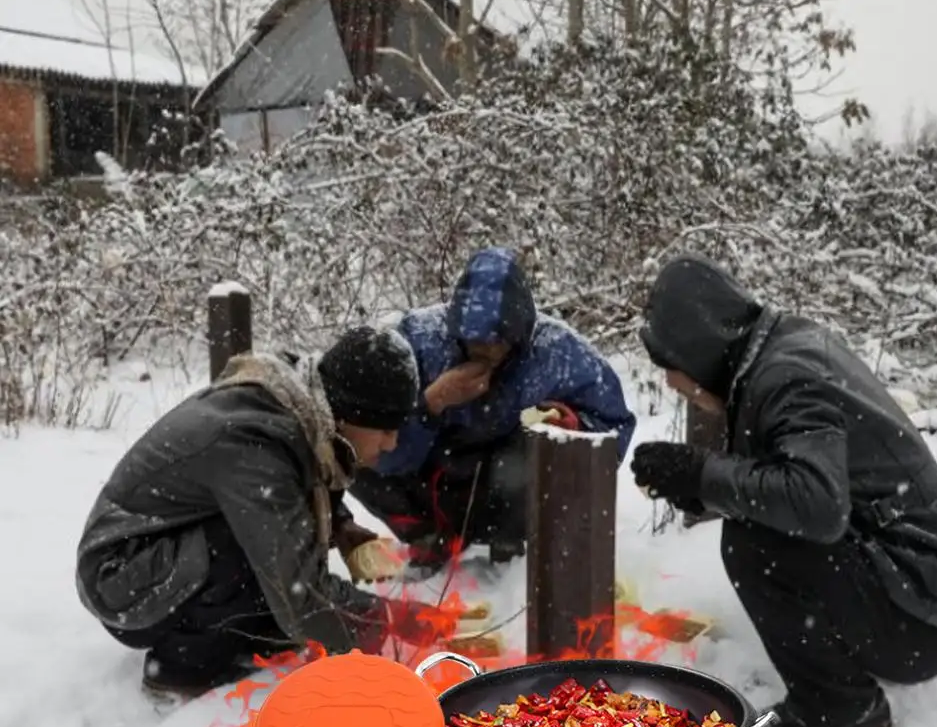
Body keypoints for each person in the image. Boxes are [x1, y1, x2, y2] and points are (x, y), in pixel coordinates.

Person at [630, 253, 937, 727]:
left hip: (923, 615)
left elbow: (816, 504)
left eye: (670, 366)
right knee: (764, 527)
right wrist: (701, 486)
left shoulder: (786, 378)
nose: (669, 382)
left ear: (696, 351)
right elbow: (799, 478)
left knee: (755, 544)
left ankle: (845, 713)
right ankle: (842, 685)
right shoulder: (779, 351)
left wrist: (702, 473)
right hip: (923, 590)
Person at [75, 326, 457, 698]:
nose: (392, 443)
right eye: (386, 428)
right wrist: (391, 619)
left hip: (158, 551)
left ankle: (239, 635)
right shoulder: (256, 444)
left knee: (271, 543)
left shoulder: (298, 409)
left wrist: (340, 526)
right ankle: (181, 669)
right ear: (348, 414)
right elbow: (302, 593)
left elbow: (302, 480)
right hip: (119, 575)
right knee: (258, 551)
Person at [349, 246, 637, 572]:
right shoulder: (419, 343)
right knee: (356, 456)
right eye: (473, 340)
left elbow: (614, 426)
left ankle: (510, 550)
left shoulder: (556, 352)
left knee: (528, 451)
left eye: (496, 341)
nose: (484, 351)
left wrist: (571, 424)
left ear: (519, 334)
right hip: (431, 475)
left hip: (504, 484)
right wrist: (431, 404)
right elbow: (378, 443)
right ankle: (428, 540)